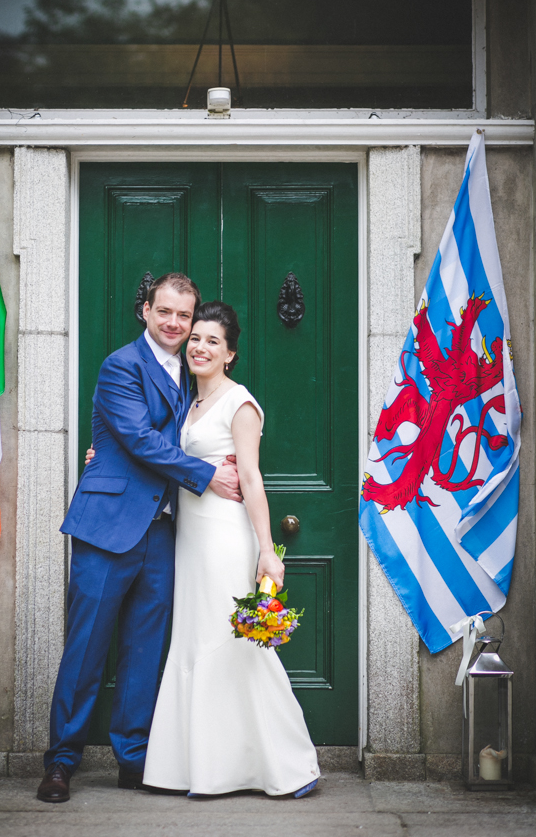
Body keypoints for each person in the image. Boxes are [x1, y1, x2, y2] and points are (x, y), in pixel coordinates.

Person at [36, 274, 243, 803]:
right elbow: (139, 439)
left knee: (144, 651)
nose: (175, 324)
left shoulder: (195, 373)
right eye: (165, 312)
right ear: (146, 311)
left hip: (166, 531)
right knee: (86, 650)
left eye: (185, 317)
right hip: (108, 528)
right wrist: (206, 473)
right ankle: (61, 762)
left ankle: (134, 759)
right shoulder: (121, 366)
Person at [143, 301, 320, 798]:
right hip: (191, 539)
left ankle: (290, 767)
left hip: (224, 536)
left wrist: (267, 549)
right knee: (196, 642)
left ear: (230, 354)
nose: (199, 346)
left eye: (212, 341)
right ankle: (196, 768)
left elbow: (250, 476)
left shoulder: (239, 403)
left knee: (238, 646)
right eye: (195, 338)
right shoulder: (186, 401)